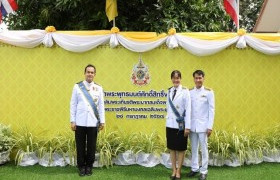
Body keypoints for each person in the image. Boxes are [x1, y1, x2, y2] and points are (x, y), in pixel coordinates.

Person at [70, 64, 105, 176]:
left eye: (92, 72)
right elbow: (73, 104)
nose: (90, 74)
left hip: (93, 122)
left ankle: (89, 166)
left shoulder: (99, 88)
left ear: (94, 74)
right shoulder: (77, 87)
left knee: (91, 146)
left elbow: (101, 106)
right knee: (80, 146)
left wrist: (102, 121)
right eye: (88, 72)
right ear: (84, 73)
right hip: (79, 122)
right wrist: (72, 120)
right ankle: (81, 167)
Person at [187, 70, 215, 180]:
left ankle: (204, 171)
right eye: (196, 78)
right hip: (192, 125)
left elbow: (212, 110)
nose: (198, 80)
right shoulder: (189, 92)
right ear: (193, 79)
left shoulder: (209, 92)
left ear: (203, 78)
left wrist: (210, 126)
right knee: (194, 148)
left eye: (200, 78)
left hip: (203, 126)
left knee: (203, 149)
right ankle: (194, 168)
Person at [166, 70, 191, 180]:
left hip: (181, 125)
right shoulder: (169, 91)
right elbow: (168, 108)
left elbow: (188, 110)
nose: (176, 80)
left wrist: (188, 127)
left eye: (178, 78)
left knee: (180, 149)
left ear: (180, 79)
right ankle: (173, 170)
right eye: (174, 78)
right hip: (170, 124)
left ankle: (179, 171)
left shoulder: (185, 91)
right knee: (172, 148)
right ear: (171, 79)